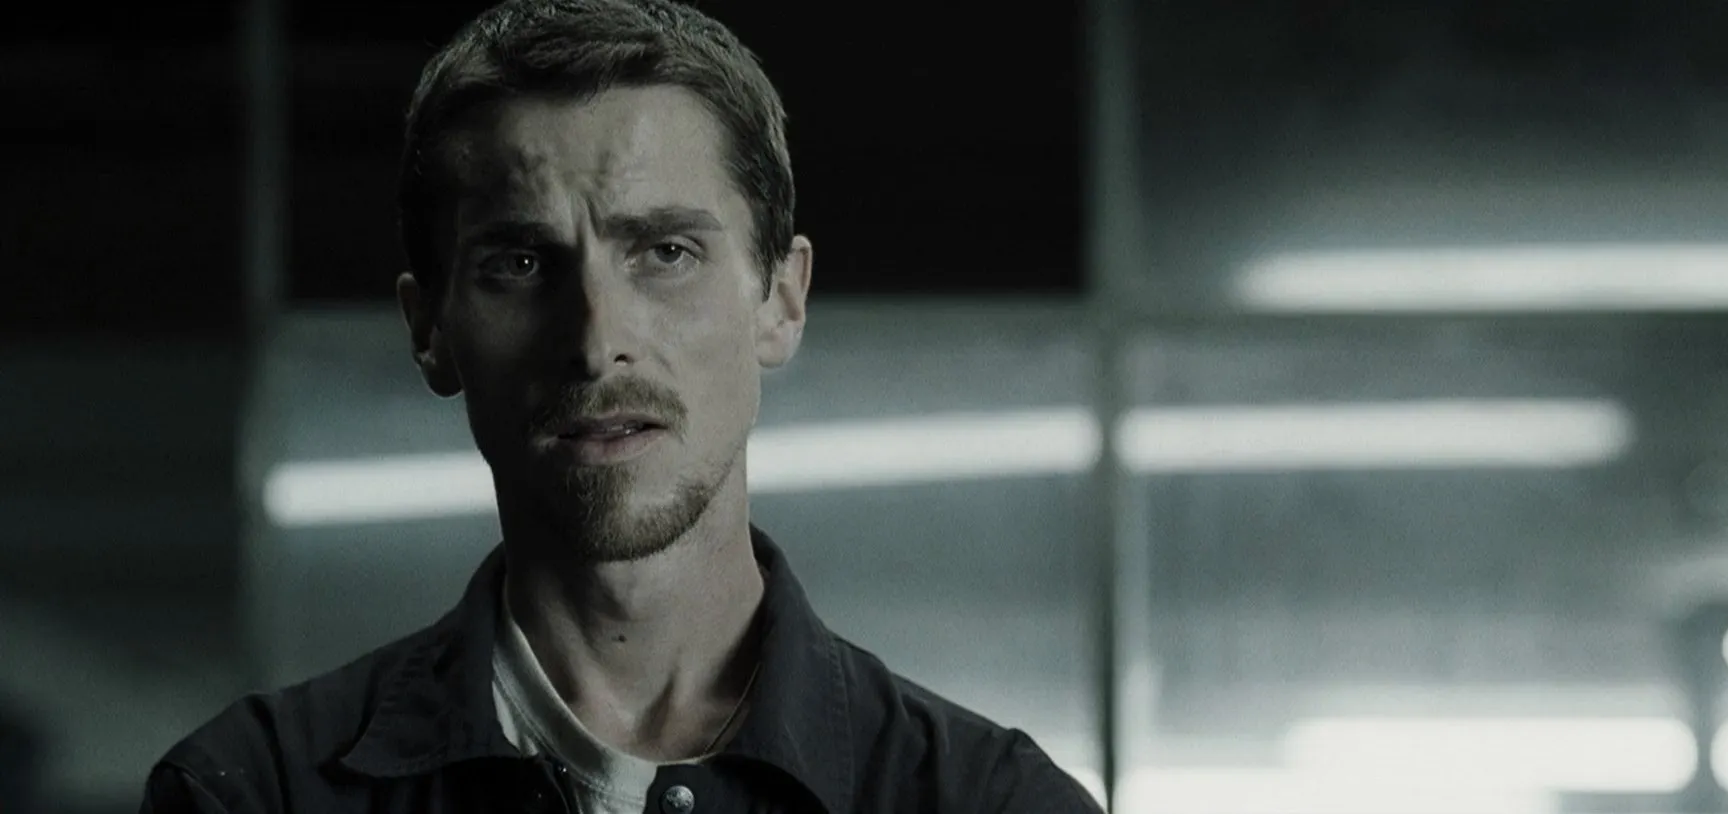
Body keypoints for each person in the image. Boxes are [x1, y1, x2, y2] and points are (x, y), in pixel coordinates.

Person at [139, 1, 1101, 812]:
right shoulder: (252, 793)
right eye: (522, 264)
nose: (597, 342)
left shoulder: (992, 802)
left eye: (666, 253)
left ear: (780, 299)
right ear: (430, 328)